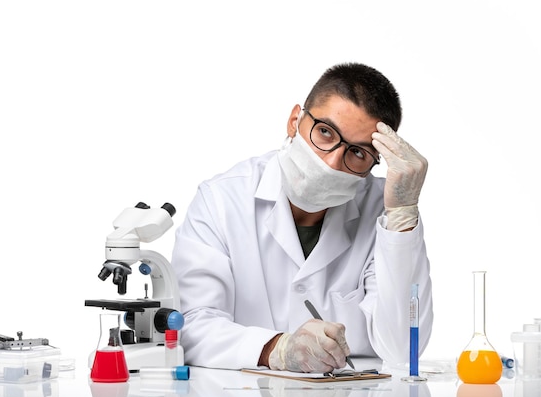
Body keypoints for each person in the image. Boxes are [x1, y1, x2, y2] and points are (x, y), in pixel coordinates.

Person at [171, 62, 433, 372]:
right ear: (295, 121)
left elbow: (402, 346)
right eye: (325, 132)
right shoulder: (222, 200)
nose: (333, 162)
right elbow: (189, 326)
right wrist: (276, 349)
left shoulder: (383, 210)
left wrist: (402, 218)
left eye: (358, 153)